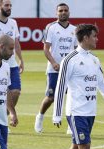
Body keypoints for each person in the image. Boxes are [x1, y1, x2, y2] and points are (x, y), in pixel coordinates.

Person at [34, 3, 78, 133]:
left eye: (65, 10)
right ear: (56, 13)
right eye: (60, 11)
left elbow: (76, 49)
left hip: (69, 69)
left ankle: (71, 124)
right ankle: (40, 116)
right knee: (51, 97)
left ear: (69, 12)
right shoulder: (51, 27)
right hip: (54, 69)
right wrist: (53, 63)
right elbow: (46, 49)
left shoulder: (74, 29)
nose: (63, 12)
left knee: (71, 96)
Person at [0, 0, 23, 123]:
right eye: (6, 5)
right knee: (1, 94)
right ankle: (0, 119)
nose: (9, 7)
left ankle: (2, 118)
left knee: (16, 92)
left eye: (10, 5)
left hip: (12, 65)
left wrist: (21, 59)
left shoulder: (13, 22)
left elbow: (16, 43)